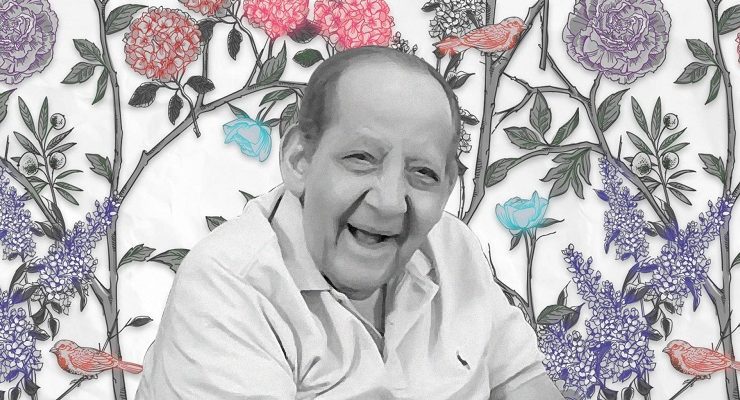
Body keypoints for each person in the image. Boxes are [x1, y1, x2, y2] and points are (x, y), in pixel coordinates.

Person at [135, 46, 563, 400]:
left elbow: (522, 380)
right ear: (299, 160)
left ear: (448, 187)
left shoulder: (456, 248)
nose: (390, 202)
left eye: (423, 173)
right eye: (361, 158)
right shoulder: (227, 286)